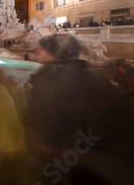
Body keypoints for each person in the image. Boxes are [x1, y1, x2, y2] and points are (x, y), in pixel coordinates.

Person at [25, 34, 134, 185]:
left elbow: (43, 128)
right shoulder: (96, 77)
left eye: (43, 50)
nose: (39, 53)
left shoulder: (49, 80)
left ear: (51, 53)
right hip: (108, 165)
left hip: (69, 165)